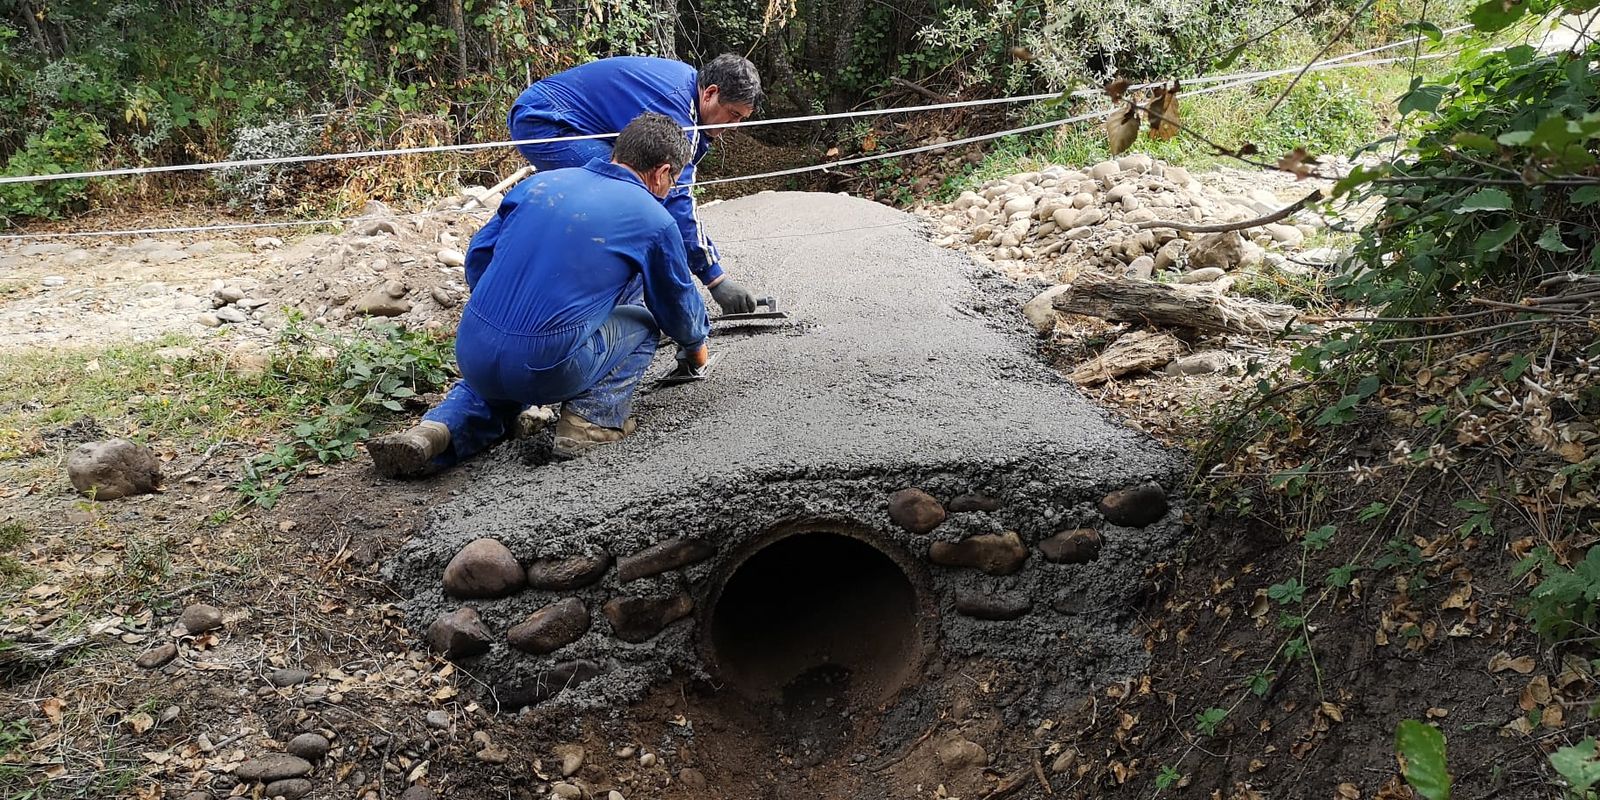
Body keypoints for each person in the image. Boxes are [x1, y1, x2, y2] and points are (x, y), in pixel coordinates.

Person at [366, 112, 710, 477]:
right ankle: (591, 422)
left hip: (473, 350)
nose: (670, 189)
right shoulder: (653, 220)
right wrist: (695, 347)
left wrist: (510, 314)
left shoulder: (539, 184)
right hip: (546, 366)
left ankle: (437, 431)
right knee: (643, 322)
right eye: (673, 180)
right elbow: (675, 302)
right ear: (661, 172)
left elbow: (479, 256)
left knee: (496, 381)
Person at [508, 53, 762, 316]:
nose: (734, 126)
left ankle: (616, 296)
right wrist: (715, 278)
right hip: (547, 120)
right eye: (733, 115)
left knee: (634, 199)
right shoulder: (676, 111)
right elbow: (676, 197)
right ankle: (625, 307)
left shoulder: (689, 93)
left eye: (741, 119)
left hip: (561, 116)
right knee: (632, 201)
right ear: (710, 93)